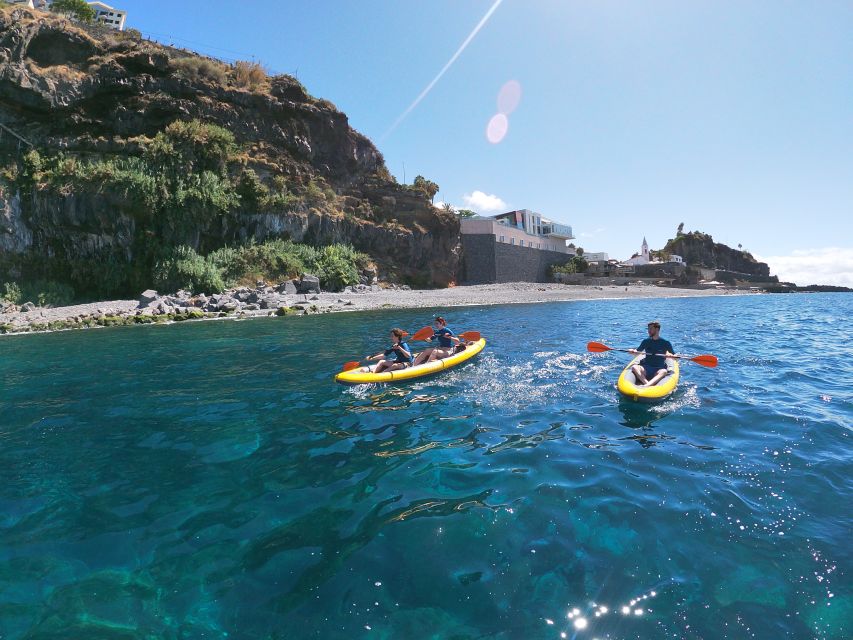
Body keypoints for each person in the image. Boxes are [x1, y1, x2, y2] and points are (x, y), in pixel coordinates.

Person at [629, 321, 675, 386]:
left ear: (657, 329)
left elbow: (674, 356)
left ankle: (647, 385)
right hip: (646, 368)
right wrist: (633, 351)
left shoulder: (665, 342)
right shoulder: (646, 341)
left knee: (664, 371)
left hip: (658, 369)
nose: (648, 331)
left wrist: (671, 356)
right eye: (648, 329)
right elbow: (637, 352)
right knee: (634, 367)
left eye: (651, 329)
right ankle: (647, 384)